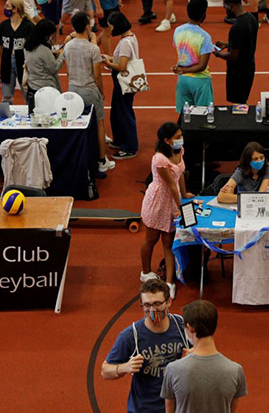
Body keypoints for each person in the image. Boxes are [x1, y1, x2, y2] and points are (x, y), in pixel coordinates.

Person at [102, 278, 190, 413]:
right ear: (142, 306)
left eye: (157, 304)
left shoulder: (182, 326)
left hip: (179, 407)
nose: (152, 310)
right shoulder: (131, 336)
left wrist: (195, 356)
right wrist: (125, 367)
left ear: (169, 302)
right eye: (147, 305)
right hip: (145, 409)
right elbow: (105, 371)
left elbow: (205, 352)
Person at [140, 121, 189, 298]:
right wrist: (181, 205)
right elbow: (170, 184)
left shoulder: (179, 151)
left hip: (172, 202)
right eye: (177, 137)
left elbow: (180, 175)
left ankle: (169, 283)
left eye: (181, 136)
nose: (181, 140)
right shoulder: (160, 159)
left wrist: (185, 194)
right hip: (158, 202)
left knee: (169, 243)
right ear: (167, 140)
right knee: (151, 239)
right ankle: (145, 272)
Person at [63, 11, 114, 176]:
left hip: (73, 89)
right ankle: (101, 161)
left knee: (78, 125)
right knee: (99, 124)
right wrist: (102, 92)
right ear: (87, 26)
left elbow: (68, 70)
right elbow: (97, 74)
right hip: (89, 89)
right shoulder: (93, 49)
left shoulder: (68, 46)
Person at [101, 12, 140, 160]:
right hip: (124, 82)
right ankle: (119, 140)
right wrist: (111, 58)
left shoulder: (124, 43)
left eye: (111, 27)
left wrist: (108, 63)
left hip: (123, 83)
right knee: (118, 112)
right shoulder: (131, 37)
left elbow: (122, 66)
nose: (110, 30)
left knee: (124, 113)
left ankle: (130, 147)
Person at [213, 0, 258, 105]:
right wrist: (227, 44)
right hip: (249, 66)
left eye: (226, 7)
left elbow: (233, 56)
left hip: (238, 72)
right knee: (242, 100)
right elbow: (246, 41)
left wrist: (218, 54)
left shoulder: (237, 27)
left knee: (238, 103)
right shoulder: (252, 18)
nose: (226, 11)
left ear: (231, 6)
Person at [171, 0, 214, 112]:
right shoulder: (205, 36)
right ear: (203, 15)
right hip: (200, 81)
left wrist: (182, 70)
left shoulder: (177, 30)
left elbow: (181, 50)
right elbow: (202, 66)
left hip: (183, 80)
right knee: (203, 115)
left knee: (185, 117)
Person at [0, 0, 33, 104]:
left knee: (27, 96)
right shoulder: (3, 26)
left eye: (7, 6)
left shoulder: (28, 26)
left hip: (24, 64)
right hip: (6, 62)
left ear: (15, 9)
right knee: (6, 97)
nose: (5, 9)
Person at [23, 19, 64, 110]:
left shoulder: (27, 46)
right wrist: (62, 55)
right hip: (46, 89)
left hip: (32, 86)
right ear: (45, 35)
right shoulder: (43, 50)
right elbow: (54, 67)